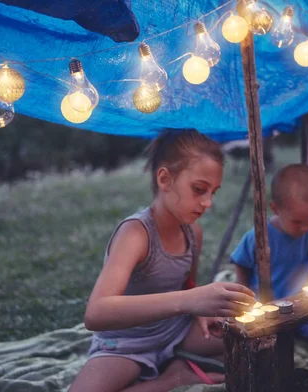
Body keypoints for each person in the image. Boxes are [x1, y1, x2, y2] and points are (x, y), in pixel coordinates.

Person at [68, 129, 256, 392]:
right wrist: (190, 301)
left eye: (213, 192)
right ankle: (171, 379)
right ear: (165, 179)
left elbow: (187, 284)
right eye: (199, 189)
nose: (208, 203)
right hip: (127, 343)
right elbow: (96, 313)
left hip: (176, 330)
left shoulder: (192, 232)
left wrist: (200, 310)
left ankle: (178, 362)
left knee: (257, 339)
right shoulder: (136, 233)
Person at [230, 164, 308, 350]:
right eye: (297, 221)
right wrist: (246, 296)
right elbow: (241, 264)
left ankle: (292, 334)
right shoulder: (259, 236)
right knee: (256, 341)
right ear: (275, 208)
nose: (305, 227)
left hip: (301, 309)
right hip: (266, 309)